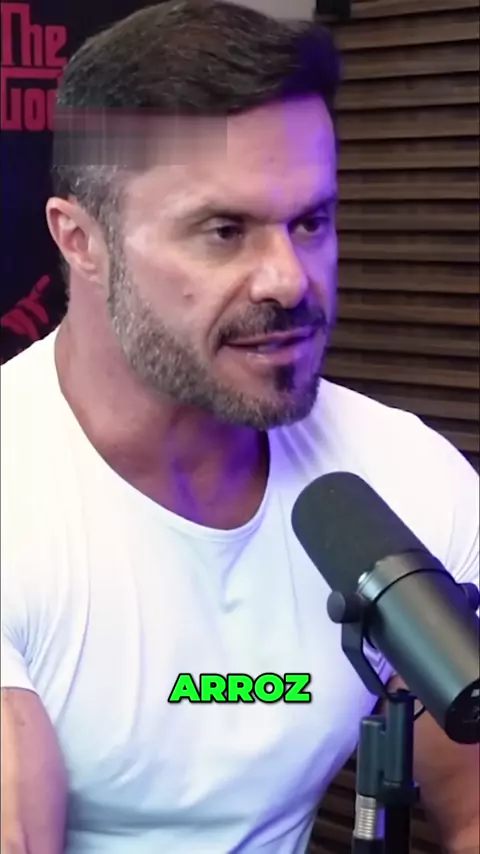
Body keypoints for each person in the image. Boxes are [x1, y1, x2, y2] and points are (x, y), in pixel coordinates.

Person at [1, 2, 478, 853]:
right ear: (80, 240)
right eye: (225, 231)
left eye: (311, 222)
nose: (289, 280)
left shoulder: (406, 478)